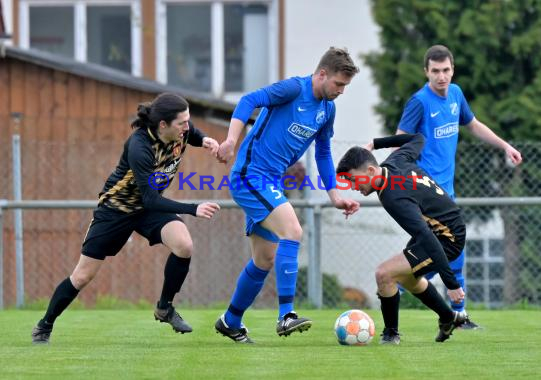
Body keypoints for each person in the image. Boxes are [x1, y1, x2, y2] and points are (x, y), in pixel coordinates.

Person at [31, 93, 221, 344]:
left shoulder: (181, 132)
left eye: (188, 121)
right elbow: (151, 198)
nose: (187, 127)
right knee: (82, 276)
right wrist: (192, 208)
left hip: (147, 210)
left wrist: (205, 139)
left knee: (184, 245)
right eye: (182, 122)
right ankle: (45, 325)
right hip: (116, 210)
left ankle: (164, 308)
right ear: (162, 124)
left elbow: (193, 132)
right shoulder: (139, 146)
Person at [214, 47, 361, 343]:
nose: (341, 91)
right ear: (322, 74)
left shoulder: (327, 110)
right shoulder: (294, 88)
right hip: (250, 176)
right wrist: (231, 140)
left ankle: (230, 320)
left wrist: (334, 195)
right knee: (293, 231)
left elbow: (322, 153)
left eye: (345, 86)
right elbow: (249, 100)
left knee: (264, 259)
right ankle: (286, 315)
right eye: (339, 84)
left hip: (270, 183)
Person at [395, 45, 523, 328]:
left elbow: (473, 125)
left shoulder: (456, 94)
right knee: (444, 253)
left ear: (452, 69)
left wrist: (505, 146)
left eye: (446, 70)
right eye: (436, 71)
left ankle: (402, 290)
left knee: (439, 255)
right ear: (426, 72)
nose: (442, 77)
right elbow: (399, 140)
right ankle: (397, 288)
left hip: (446, 193)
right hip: (426, 192)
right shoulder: (419, 102)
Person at [337, 133, 468, 344]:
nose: (352, 187)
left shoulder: (394, 196)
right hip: (443, 229)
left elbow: (426, 236)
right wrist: (374, 144)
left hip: (447, 238)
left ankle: (391, 334)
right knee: (408, 278)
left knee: (385, 274)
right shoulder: (395, 161)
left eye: (353, 179)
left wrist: (451, 284)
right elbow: (417, 139)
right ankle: (447, 317)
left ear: (370, 171)